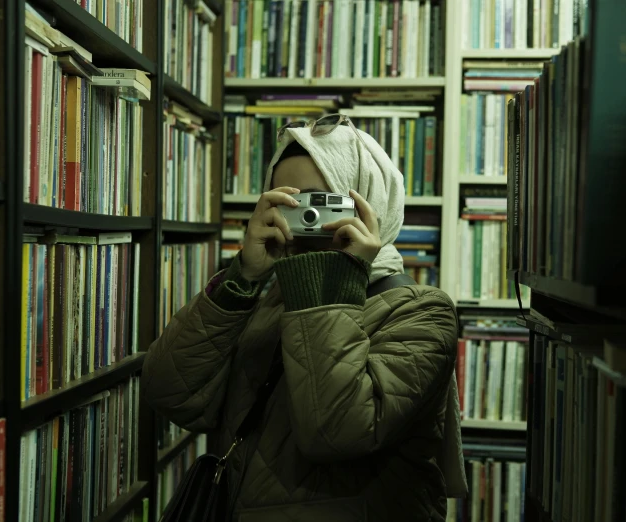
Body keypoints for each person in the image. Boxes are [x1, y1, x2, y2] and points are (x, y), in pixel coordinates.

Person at [142, 116, 460, 522]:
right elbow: (169, 394)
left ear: (369, 200)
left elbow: (336, 432)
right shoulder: (272, 294)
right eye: (287, 203)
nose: (304, 219)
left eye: (320, 203)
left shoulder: (423, 310)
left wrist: (335, 281)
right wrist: (243, 277)